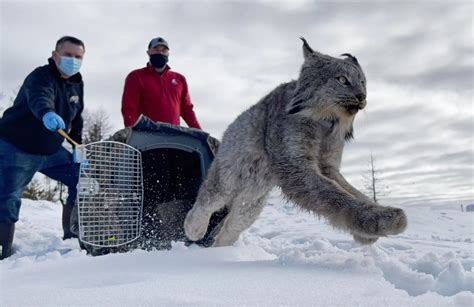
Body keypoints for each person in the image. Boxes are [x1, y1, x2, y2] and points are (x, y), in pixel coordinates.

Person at [0, 36, 86, 259]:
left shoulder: (77, 82)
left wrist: (79, 145)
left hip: (50, 151)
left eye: (78, 57)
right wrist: (47, 112)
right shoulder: (40, 76)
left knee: (82, 177)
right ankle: (3, 248)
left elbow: (76, 118)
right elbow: (40, 97)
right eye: (68, 55)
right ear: (55, 55)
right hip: (17, 146)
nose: (73, 60)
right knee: (8, 195)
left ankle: (72, 233)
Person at [121, 37, 202, 129]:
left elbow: (187, 110)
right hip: (146, 136)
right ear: (148, 52)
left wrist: (200, 133)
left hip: (174, 136)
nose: (160, 53)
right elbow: (129, 109)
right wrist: (132, 132)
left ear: (168, 53)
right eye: (156, 49)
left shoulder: (179, 79)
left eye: (164, 50)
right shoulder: (136, 76)